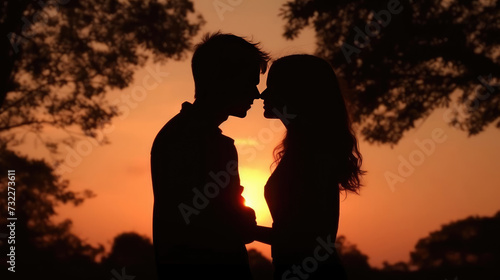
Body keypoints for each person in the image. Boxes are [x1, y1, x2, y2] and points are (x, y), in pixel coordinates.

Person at [150, 32, 270, 280]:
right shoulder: (194, 141)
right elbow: (215, 224)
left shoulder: (182, 135)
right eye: (249, 82)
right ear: (223, 80)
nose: (257, 94)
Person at [255, 54, 366, 279]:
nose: (262, 94)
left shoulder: (312, 152)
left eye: (272, 87)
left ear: (296, 93)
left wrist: (247, 230)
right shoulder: (305, 148)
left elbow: (312, 239)